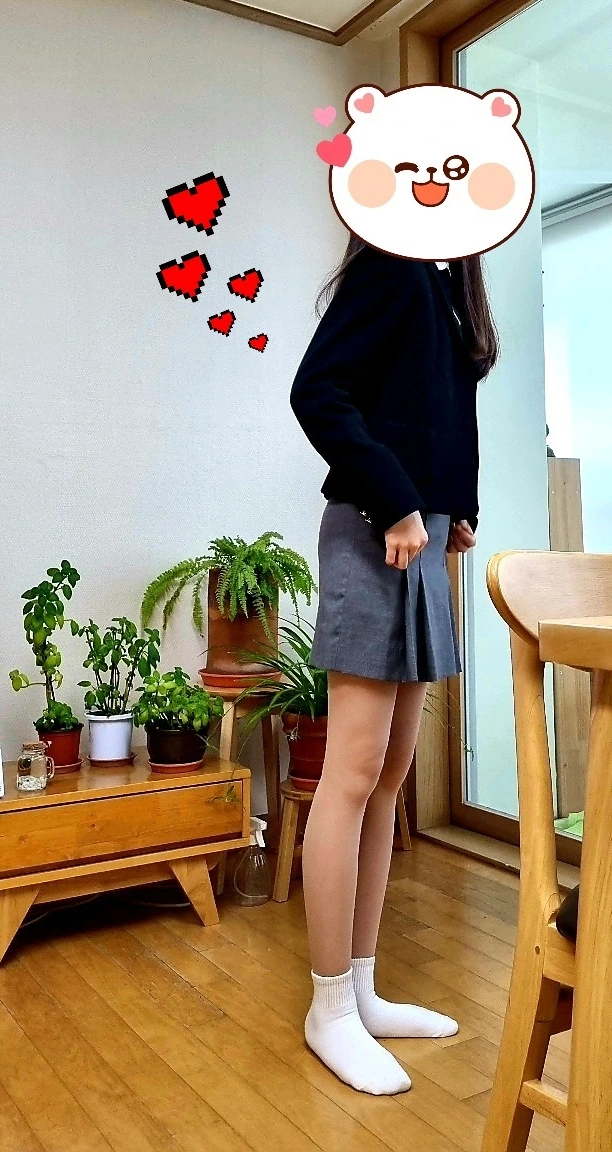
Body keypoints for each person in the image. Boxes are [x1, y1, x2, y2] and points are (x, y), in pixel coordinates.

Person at [289, 234, 498, 1095]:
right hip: (377, 532)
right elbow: (317, 391)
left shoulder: (446, 283)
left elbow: (435, 409)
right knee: (351, 775)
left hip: (420, 534)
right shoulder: (389, 266)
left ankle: (363, 992)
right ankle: (328, 1006)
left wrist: (454, 506)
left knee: (387, 780)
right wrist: (401, 499)